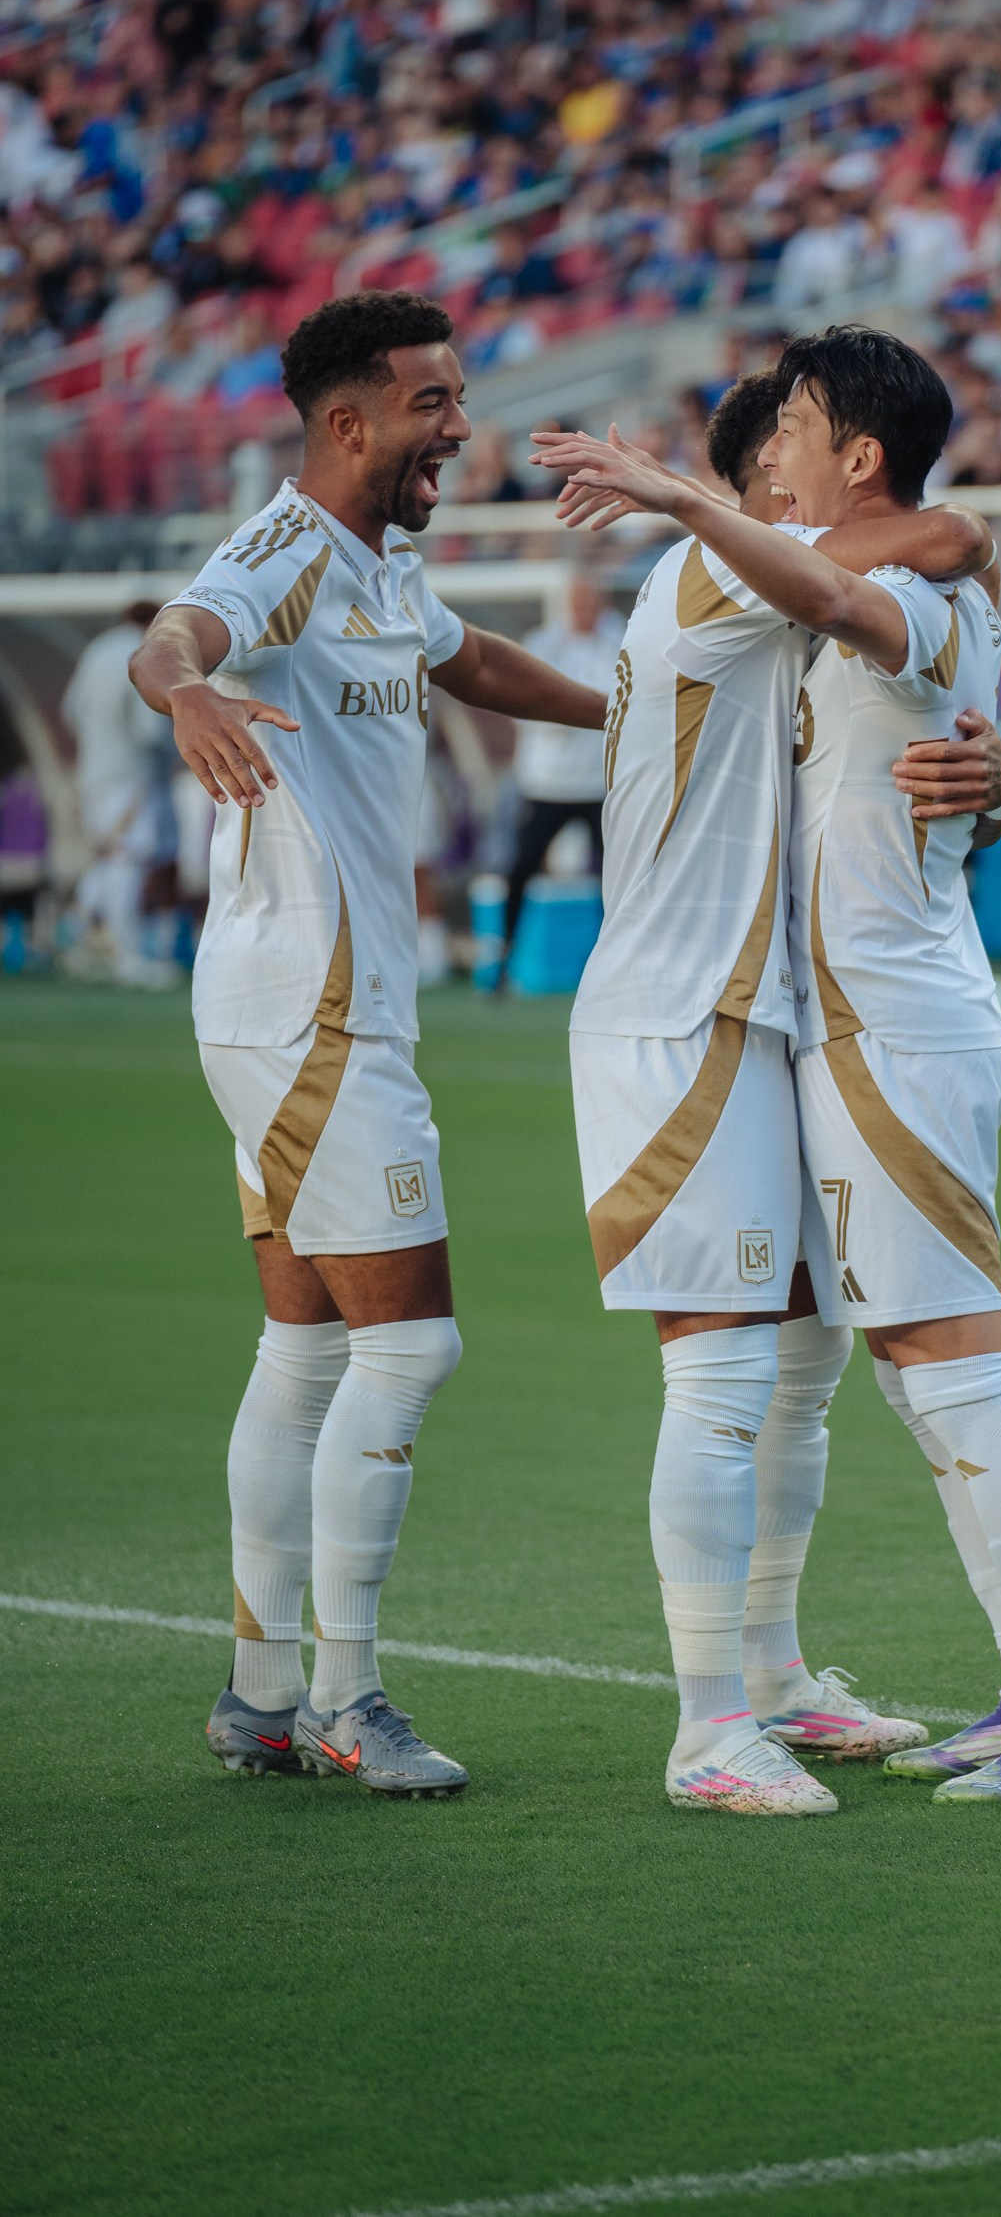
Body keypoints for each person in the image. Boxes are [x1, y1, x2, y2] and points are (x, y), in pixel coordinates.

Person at [542, 328, 1001, 1807]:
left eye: (789, 443)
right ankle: (816, 1698)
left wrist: (684, 494)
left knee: (949, 1373)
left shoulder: (897, 589)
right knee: (799, 1367)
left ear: (850, 461)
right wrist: (992, 780)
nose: (769, 486)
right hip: (747, 1014)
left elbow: (877, 576)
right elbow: (865, 571)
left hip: (884, 1018)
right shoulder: (801, 582)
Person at [128, 290, 608, 1797]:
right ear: (348, 423)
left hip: (307, 1005)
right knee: (410, 1343)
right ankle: (347, 1697)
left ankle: (266, 1696)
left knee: (310, 1342)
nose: (458, 429)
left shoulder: (380, 568)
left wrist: (636, 719)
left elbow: (468, 664)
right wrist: (189, 692)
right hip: (312, 1007)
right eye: (434, 405)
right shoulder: (279, 550)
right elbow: (177, 634)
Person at [493, 569, 623, 993]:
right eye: (577, 599)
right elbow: (518, 704)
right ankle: (503, 961)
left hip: (599, 784)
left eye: (591, 599)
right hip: (546, 781)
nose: (584, 608)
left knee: (617, 875)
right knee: (520, 871)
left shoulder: (622, 640)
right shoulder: (542, 643)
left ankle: (620, 965)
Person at [62, 601, 179, 986]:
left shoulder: (95, 650)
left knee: (111, 856)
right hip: (133, 775)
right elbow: (149, 728)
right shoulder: (142, 652)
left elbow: (69, 711)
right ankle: (126, 955)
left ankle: (73, 936)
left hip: (94, 772)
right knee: (129, 858)